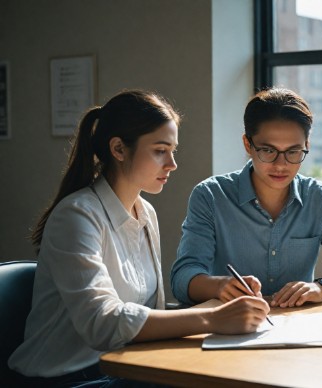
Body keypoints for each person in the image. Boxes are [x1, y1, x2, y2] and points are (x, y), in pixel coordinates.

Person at [9, 90, 270, 387]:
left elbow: (150, 314)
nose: (172, 164)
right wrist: (213, 318)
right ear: (119, 149)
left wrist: (220, 295)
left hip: (125, 367)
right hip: (66, 379)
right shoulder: (76, 216)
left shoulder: (145, 212)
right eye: (160, 150)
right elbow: (103, 324)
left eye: (173, 150)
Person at [170, 87, 322, 308]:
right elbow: (183, 278)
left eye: (293, 152)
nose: (281, 165)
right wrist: (220, 286)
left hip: (297, 325)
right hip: (229, 323)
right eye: (268, 151)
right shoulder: (211, 195)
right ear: (248, 145)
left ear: (306, 146)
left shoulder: (320, 198)